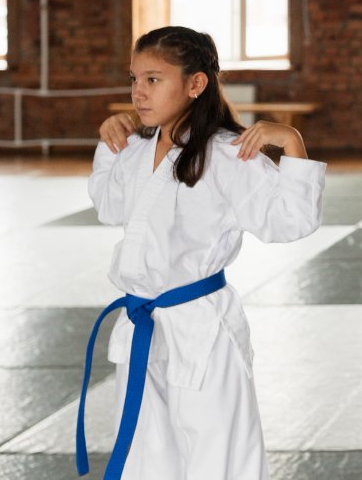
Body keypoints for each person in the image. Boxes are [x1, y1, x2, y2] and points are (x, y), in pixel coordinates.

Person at [76, 26, 326, 480]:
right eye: (134, 79)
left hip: (202, 326)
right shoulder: (137, 149)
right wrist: (110, 145)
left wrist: (291, 142)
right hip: (142, 323)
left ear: (195, 84)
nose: (138, 92)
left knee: (218, 455)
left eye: (153, 79)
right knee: (147, 455)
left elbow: (290, 221)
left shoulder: (228, 153)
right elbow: (109, 206)